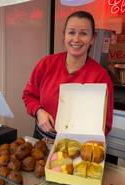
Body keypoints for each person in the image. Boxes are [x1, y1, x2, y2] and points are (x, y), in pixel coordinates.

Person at [22, 11, 113, 139]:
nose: (76, 39)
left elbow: (105, 124)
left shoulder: (100, 77)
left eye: (83, 33)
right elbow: (28, 96)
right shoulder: (46, 64)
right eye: (71, 32)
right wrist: (39, 111)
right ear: (64, 35)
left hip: (79, 144)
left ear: (92, 38)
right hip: (42, 137)